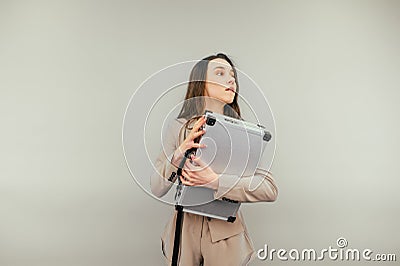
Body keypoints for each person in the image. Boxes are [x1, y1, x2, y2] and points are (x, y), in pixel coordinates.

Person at [150, 53, 278, 265]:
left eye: (233, 76)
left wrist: (215, 181)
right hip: (182, 233)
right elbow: (156, 187)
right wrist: (179, 153)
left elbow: (270, 188)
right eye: (220, 73)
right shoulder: (178, 127)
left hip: (226, 237)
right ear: (201, 83)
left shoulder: (247, 134)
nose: (231, 80)